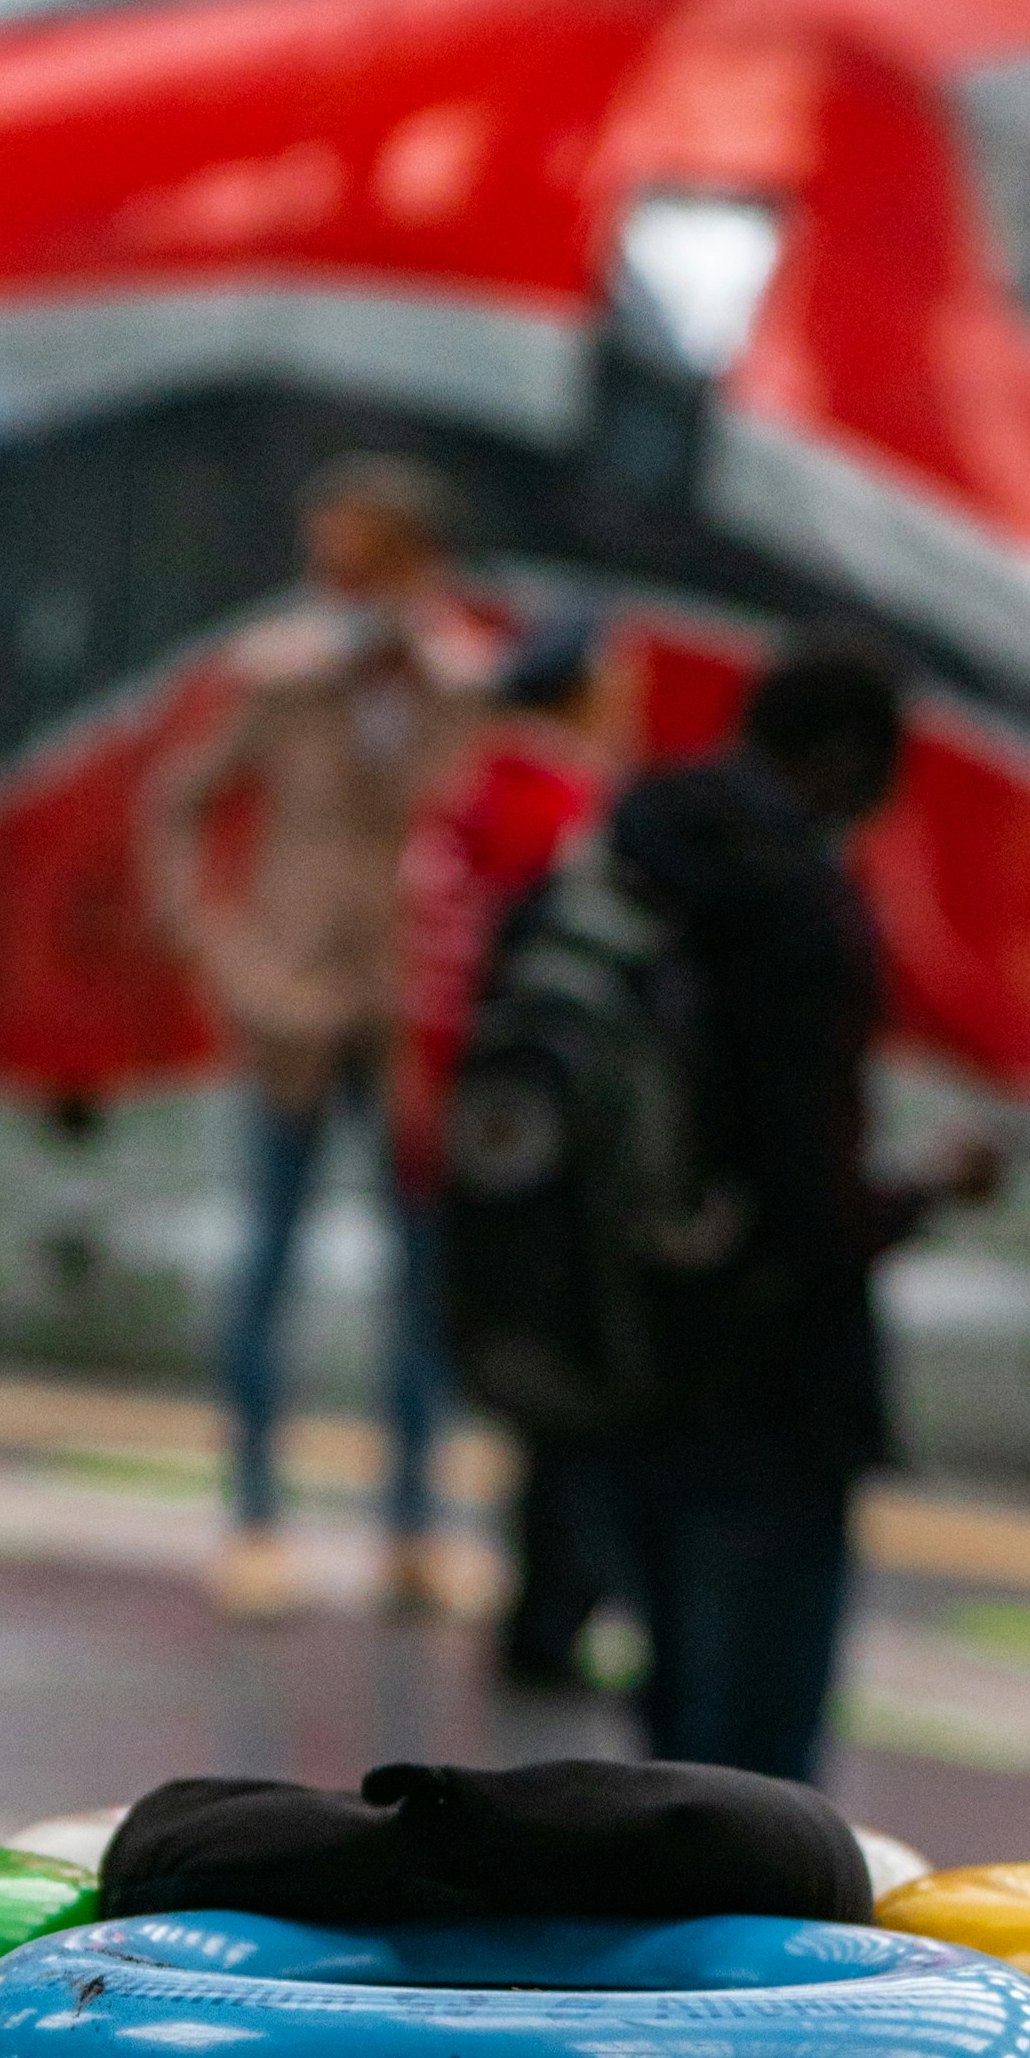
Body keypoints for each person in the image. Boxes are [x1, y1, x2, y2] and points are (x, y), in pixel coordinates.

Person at [600, 640, 984, 1784]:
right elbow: (812, 1199)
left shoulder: (630, 854)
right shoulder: (800, 911)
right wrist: (929, 1190)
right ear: (842, 759)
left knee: (671, 1691)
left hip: (634, 1330)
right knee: (762, 1732)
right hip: (779, 1362)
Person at [142, 456, 492, 1621]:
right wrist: (215, 946)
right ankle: (253, 1515)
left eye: (360, 558)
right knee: (268, 1259)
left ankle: (414, 1525)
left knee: (425, 1275)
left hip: (410, 1013)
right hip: (291, 999)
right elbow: (181, 800)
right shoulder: (282, 676)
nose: (337, 581)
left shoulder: (467, 683)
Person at [394, 603, 629, 1690]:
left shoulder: (464, 798)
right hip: (537, 1150)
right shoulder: (566, 811)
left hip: (444, 1118)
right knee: (561, 1383)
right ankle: (551, 1605)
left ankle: (423, 1533)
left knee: (446, 1348)